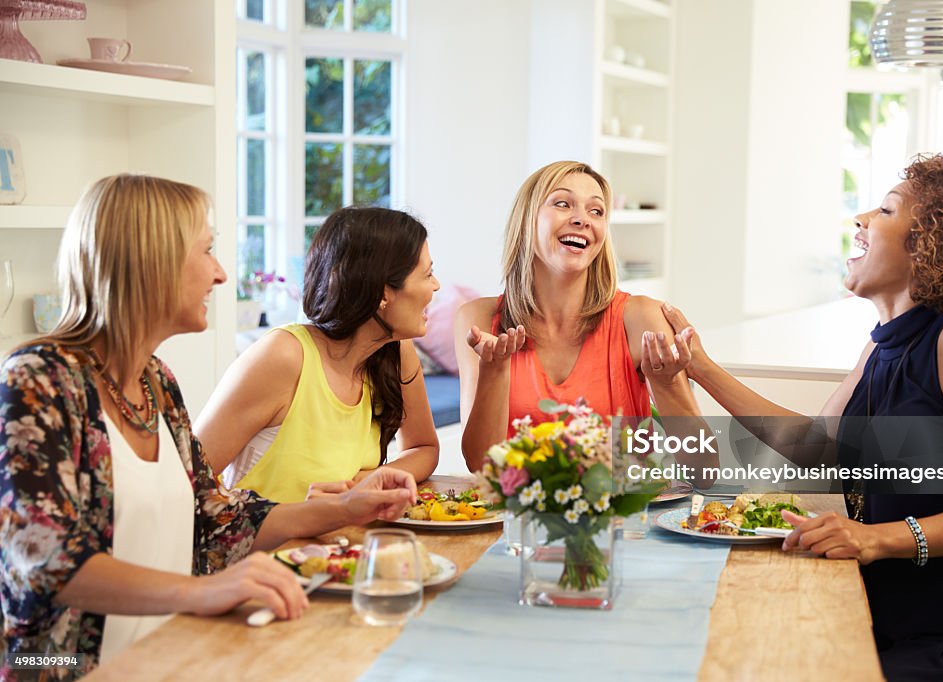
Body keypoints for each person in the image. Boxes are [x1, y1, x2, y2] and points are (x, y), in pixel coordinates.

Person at [0, 175, 417, 678]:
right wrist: (201, 592)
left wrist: (346, 507)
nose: (220, 274)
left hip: (172, 655)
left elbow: (214, 517)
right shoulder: (38, 381)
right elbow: (44, 559)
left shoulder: (156, 381)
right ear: (151, 262)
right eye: (207, 251)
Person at [662, 154, 943, 680]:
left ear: (929, 244)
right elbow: (816, 447)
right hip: (885, 616)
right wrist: (699, 367)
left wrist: (878, 538)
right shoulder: (880, 350)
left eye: (886, 210)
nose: (861, 220)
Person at [455, 160, 713, 483]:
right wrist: (493, 372)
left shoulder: (640, 319)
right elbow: (480, 465)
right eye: (562, 204)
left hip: (622, 526)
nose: (582, 219)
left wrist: (667, 384)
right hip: (520, 526)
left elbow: (704, 470)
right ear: (527, 221)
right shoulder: (478, 320)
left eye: (597, 211)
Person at [195, 207, 440, 503]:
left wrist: (371, 482)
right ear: (383, 293)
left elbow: (425, 448)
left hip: (339, 545)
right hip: (265, 549)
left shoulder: (395, 351)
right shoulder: (283, 357)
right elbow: (188, 482)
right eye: (427, 275)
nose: (436, 285)